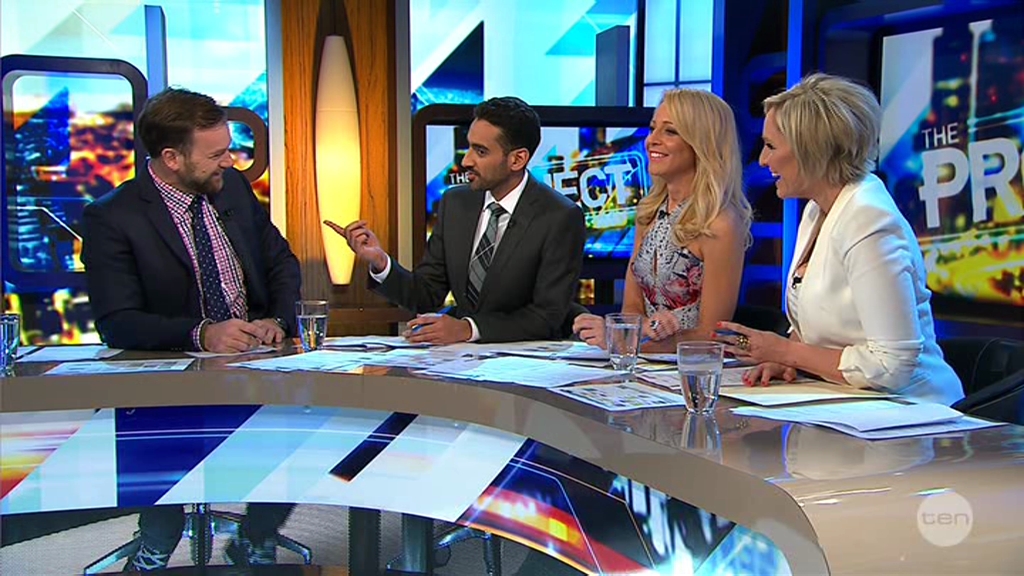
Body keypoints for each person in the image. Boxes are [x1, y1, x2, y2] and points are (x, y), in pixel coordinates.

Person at [81, 87, 300, 569]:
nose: (230, 162)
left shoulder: (233, 189)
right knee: (156, 427)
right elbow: (117, 322)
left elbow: (281, 262)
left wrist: (276, 320)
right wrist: (203, 334)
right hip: (170, 380)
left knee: (313, 416)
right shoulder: (112, 217)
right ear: (172, 158)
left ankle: (256, 536)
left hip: (255, 365)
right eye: (216, 154)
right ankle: (157, 542)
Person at [715, 73, 963, 405]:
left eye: (771, 146)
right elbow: (821, 325)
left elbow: (892, 366)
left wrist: (786, 351)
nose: (762, 160)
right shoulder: (816, 211)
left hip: (912, 409)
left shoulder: (869, 220)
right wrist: (786, 358)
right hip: (846, 402)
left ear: (812, 151)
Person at [325, 96, 586, 344]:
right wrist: (381, 262)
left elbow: (546, 317)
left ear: (517, 159)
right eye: (469, 146)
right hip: (461, 361)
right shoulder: (456, 203)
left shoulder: (559, 217)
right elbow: (427, 295)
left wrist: (468, 329)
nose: (466, 160)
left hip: (525, 363)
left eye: (480, 152)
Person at [573, 89, 752, 352]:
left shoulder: (720, 223)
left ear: (701, 143)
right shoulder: (649, 212)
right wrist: (622, 334)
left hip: (692, 367)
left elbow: (711, 334)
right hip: (644, 362)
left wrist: (623, 341)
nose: (651, 141)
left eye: (670, 132)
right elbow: (632, 309)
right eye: (652, 128)